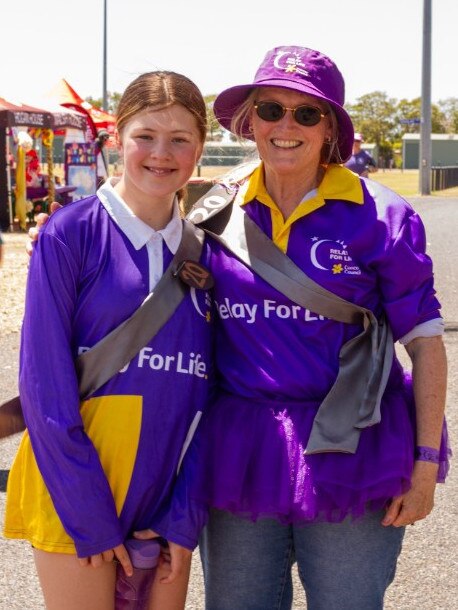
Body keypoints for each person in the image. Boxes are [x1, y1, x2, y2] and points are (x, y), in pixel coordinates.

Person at [154, 46, 450, 610]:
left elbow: (428, 347)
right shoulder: (213, 212)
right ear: (250, 121)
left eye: (306, 114)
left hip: (354, 448)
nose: (285, 126)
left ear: (330, 129)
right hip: (241, 446)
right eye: (270, 109)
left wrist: (425, 462)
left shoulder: (383, 217)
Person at [3, 70, 213, 610]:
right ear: (117, 138)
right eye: (145, 135)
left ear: (200, 149)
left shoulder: (208, 255)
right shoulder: (68, 234)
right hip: (76, 490)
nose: (160, 153)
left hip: (165, 490)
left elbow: (213, 397)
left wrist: (183, 514)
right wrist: (92, 517)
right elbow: (45, 392)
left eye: (180, 140)